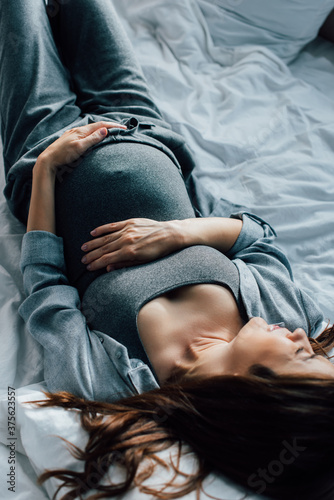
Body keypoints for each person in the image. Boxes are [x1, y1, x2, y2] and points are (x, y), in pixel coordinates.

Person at [1, 1, 334, 499]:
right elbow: (256, 235)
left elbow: (46, 288)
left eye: (302, 356)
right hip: (147, 132)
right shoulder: (281, 313)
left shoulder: (115, 382)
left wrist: (48, 169)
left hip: (45, 143)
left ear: (261, 394)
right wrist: (179, 234)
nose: (304, 338)